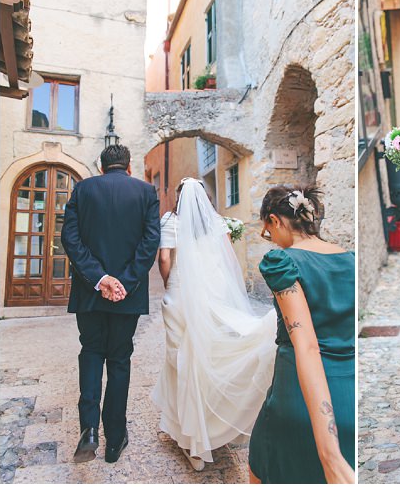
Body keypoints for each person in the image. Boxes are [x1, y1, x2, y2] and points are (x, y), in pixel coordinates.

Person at [151, 178, 277, 471]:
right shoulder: (218, 222)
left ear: (180, 199)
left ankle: (192, 437)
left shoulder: (170, 220)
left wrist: (171, 284)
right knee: (207, 356)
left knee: (181, 360)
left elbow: (165, 258)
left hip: (181, 295)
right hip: (213, 294)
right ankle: (206, 425)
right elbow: (228, 261)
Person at [249, 186, 355, 484]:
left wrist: (329, 455)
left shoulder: (283, 262)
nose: (270, 239)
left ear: (275, 221)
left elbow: (306, 346)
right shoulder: (350, 257)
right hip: (349, 399)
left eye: (267, 231)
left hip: (297, 400)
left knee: (263, 466)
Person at [61, 144, 160, 464]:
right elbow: (150, 242)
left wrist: (99, 279)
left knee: (91, 352)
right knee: (119, 360)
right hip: (126, 296)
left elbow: (70, 239)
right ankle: (115, 439)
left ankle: (89, 429)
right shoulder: (146, 192)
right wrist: (124, 282)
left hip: (90, 293)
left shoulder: (82, 189)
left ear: (101, 167)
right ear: (129, 167)